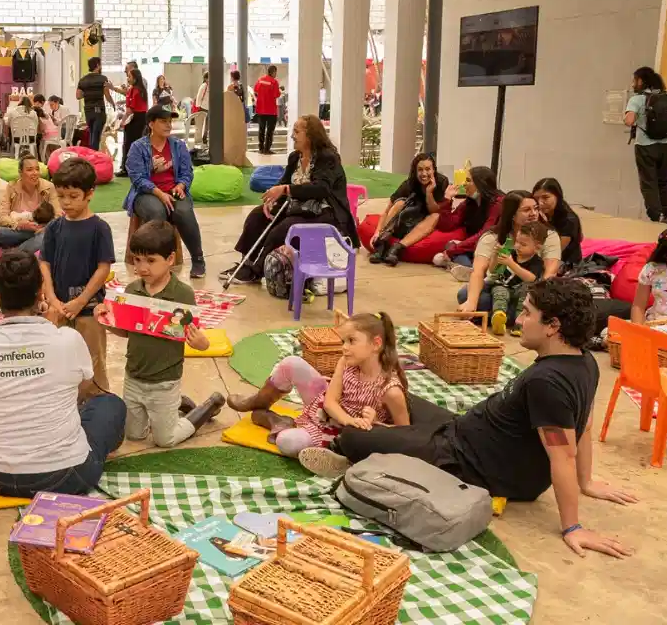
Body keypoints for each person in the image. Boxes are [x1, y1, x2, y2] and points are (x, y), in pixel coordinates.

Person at [322, 279, 638, 558]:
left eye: (527, 313)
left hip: (466, 459)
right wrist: (587, 482)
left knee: (352, 437)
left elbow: (563, 453)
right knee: (398, 398)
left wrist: (572, 526)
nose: (519, 319)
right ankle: (399, 436)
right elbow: (584, 424)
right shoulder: (585, 361)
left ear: (552, 326)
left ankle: (379, 442)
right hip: (465, 432)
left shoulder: (548, 384)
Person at [0, 250, 126, 498]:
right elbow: (81, 388)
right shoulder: (68, 339)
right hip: (66, 475)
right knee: (110, 404)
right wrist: (50, 332)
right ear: (40, 295)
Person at [96, 222, 224, 448]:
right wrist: (106, 321)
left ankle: (208, 406)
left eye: (151, 260)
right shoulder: (132, 291)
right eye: (137, 259)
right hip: (134, 376)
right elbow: (127, 332)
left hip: (165, 380)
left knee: (166, 440)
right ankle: (176, 404)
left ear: (170, 259)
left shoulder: (182, 294)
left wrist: (201, 343)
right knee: (134, 435)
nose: (142, 267)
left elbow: (197, 338)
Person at [232, 313, 410, 463]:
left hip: (338, 435)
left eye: (351, 341)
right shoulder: (346, 362)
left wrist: (375, 424)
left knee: (287, 442)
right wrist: (348, 418)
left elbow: (407, 434)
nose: (344, 348)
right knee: (290, 363)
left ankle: (277, 422)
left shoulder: (391, 390)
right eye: (344, 341)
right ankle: (256, 402)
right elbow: (329, 403)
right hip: (325, 409)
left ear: (376, 344)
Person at [223, 116, 357, 284]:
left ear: (310, 135)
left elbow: (321, 189)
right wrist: (271, 200)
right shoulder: (295, 157)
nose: (292, 136)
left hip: (325, 211)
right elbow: (284, 181)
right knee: (256, 217)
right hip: (299, 207)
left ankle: (257, 270)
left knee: (283, 228)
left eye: (296, 131)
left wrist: (286, 189)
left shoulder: (327, 158)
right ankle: (247, 262)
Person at [41, 158, 114, 392]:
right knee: (61, 362)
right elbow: (44, 263)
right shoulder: (54, 227)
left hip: (90, 310)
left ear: (90, 193)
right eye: (61, 196)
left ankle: (98, 405)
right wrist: (52, 299)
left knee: (93, 363)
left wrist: (81, 300)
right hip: (59, 308)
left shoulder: (99, 228)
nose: (66, 202)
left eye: (73, 196)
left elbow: (104, 268)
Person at [124, 106, 206, 278]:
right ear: (151, 124)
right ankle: (156, 261)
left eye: (170, 121)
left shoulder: (178, 145)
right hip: (146, 193)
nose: (168, 125)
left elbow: (187, 172)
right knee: (157, 211)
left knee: (183, 211)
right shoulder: (138, 147)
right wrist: (159, 193)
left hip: (174, 191)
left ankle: (198, 259)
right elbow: (137, 178)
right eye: (163, 121)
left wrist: (181, 186)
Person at [457, 190, 562, 313]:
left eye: (535, 208)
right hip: (499, 286)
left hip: (528, 290)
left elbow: (550, 273)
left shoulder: (549, 236)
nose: (534, 213)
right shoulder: (492, 237)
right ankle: (505, 314)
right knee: (465, 295)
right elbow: (479, 271)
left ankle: (506, 314)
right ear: (512, 215)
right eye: (526, 210)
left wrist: (538, 301)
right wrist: (472, 303)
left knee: (529, 304)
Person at [625, 66, 667, 223]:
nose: (633, 83)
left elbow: (629, 121)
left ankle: (655, 216)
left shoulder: (638, 99)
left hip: (645, 146)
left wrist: (635, 118)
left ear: (641, 81)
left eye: (635, 80)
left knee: (649, 182)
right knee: (664, 180)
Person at [369, 154, 450, 266]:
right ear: (415, 171)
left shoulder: (441, 182)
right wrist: (377, 232)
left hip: (425, 219)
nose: (424, 174)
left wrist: (429, 193)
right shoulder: (409, 184)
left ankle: (396, 248)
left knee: (436, 216)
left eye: (428, 169)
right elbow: (388, 209)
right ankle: (382, 243)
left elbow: (434, 210)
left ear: (433, 169)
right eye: (420, 170)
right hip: (406, 219)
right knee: (400, 203)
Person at [421, 166, 504, 269]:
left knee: (452, 251)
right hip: (474, 247)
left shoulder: (498, 202)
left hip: (491, 246)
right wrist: (447, 200)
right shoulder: (469, 202)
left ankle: (466, 267)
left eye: (468, 180)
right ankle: (465, 266)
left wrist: (453, 250)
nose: (464, 184)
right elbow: (447, 225)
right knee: (450, 245)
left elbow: (485, 234)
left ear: (480, 184)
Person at [485, 221, 548, 336]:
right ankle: (499, 316)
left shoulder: (537, 262)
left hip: (521, 294)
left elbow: (530, 278)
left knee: (528, 290)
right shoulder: (511, 253)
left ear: (537, 247)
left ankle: (519, 323)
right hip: (504, 287)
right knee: (500, 290)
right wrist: (495, 255)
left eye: (523, 244)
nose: (518, 246)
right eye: (517, 242)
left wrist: (511, 264)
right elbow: (493, 269)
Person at [0, 154, 61, 251]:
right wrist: (18, 224)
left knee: (44, 237)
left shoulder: (49, 187)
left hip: (41, 229)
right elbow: (1, 217)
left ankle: (15, 255)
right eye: (30, 170)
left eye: (37, 169)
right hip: (20, 230)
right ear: (20, 173)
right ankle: (29, 246)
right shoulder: (11, 187)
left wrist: (45, 228)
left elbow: (58, 215)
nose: (35, 173)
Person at [532, 177, 583, 266]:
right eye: (536, 199)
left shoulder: (569, 220)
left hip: (566, 264)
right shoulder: (542, 213)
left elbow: (555, 251)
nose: (540, 203)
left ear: (558, 196)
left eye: (545, 197)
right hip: (546, 256)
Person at [117, 69, 149, 178]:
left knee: (128, 144)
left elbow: (130, 110)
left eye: (129, 76)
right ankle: (139, 168)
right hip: (143, 118)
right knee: (139, 143)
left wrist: (121, 122)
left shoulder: (134, 90)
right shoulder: (142, 90)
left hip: (134, 119)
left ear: (135, 78)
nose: (128, 78)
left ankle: (126, 169)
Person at [76, 56, 113, 151]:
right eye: (100, 64)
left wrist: (88, 93)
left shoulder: (83, 80)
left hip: (88, 111)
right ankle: (94, 158)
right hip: (99, 111)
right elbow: (107, 95)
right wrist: (113, 104)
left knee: (92, 134)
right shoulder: (103, 78)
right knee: (96, 137)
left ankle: (91, 156)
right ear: (97, 65)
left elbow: (78, 96)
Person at [253, 66, 283, 154]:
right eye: (275, 73)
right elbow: (276, 95)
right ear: (273, 72)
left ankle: (261, 148)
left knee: (261, 129)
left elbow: (255, 91)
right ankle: (267, 149)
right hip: (271, 111)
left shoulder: (260, 80)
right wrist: (280, 91)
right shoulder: (274, 82)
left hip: (261, 109)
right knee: (270, 131)